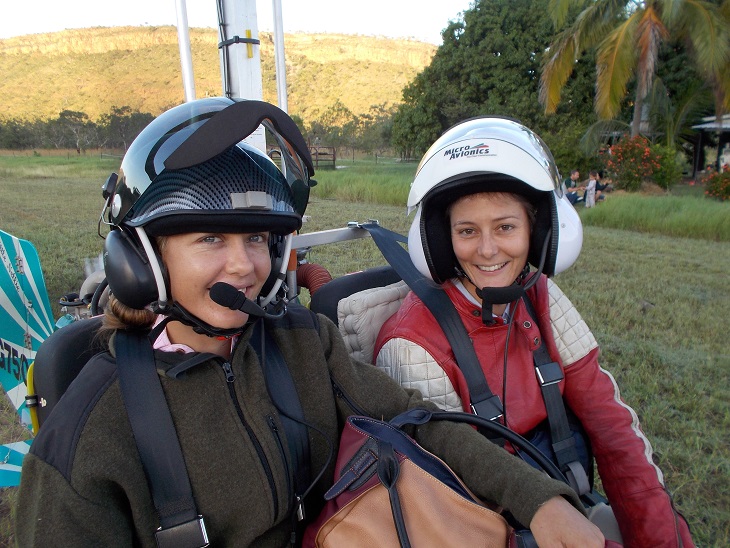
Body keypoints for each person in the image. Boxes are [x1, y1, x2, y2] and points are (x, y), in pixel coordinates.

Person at [15, 99, 603, 547]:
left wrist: (539, 500)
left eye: (257, 238)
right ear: (141, 260)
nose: (244, 265)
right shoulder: (91, 433)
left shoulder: (302, 342)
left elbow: (418, 424)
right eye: (211, 238)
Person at [374, 117, 694, 547]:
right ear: (440, 239)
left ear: (538, 230)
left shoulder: (541, 296)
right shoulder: (411, 346)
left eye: (505, 227)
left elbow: (613, 428)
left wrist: (663, 540)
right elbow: (454, 499)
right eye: (467, 231)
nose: (488, 250)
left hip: (567, 499)